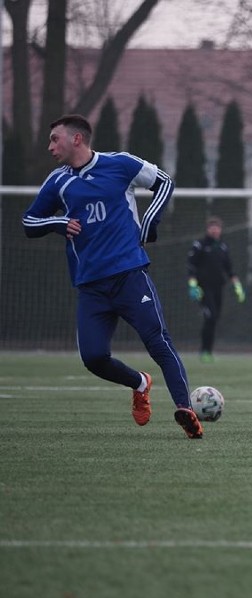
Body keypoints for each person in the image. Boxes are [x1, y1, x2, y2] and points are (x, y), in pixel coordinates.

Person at [21, 113, 204, 439]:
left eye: (55, 139)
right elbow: (29, 222)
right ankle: (140, 383)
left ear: (77, 139)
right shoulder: (58, 181)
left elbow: (165, 181)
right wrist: (57, 224)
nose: (50, 146)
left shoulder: (120, 164)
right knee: (92, 358)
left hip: (130, 275)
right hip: (91, 286)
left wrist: (151, 220)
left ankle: (185, 409)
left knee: (159, 344)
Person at [187, 216, 246, 361]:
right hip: (203, 289)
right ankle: (204, 351)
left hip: (218, 288)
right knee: (210, 316)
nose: (215, 231)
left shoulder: (223, 247)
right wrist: (193, 285)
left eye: (217, 228)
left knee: (214, 319)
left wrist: (237, 286)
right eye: (212, 228)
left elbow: (229, 269)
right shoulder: (199, 245)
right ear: (208, 229)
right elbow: (191, 266)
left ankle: (209, 351)